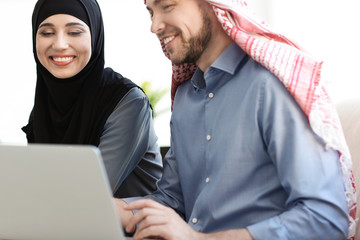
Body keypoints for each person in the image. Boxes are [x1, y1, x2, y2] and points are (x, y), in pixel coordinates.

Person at [115, 0, 357, 239]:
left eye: (167, 6)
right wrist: (112, 209)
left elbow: (326, 218)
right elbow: (171, 202)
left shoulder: (271, 86)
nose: (155, 26)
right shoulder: (186, 98)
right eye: (150, 13)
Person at [22, 0, 163, 198]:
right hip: (61, 225)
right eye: (46, 33)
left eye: (74, 32)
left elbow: (89, 195)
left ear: (94, 36)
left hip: (130, 228)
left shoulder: (127, 102)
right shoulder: (42, 110)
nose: (60, 44)